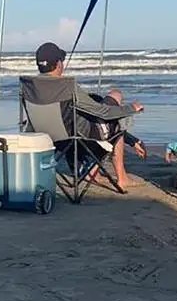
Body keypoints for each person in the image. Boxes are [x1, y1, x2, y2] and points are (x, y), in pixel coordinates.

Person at [35, 42, 145, 191]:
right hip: (77, 137)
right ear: (58, 64)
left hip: (51, 139)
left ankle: (93, 171)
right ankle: (122, 178)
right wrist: (131, 108)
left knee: (104, 107)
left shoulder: (31, 86)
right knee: (115, 99)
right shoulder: (66, 86)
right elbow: (102, 112)